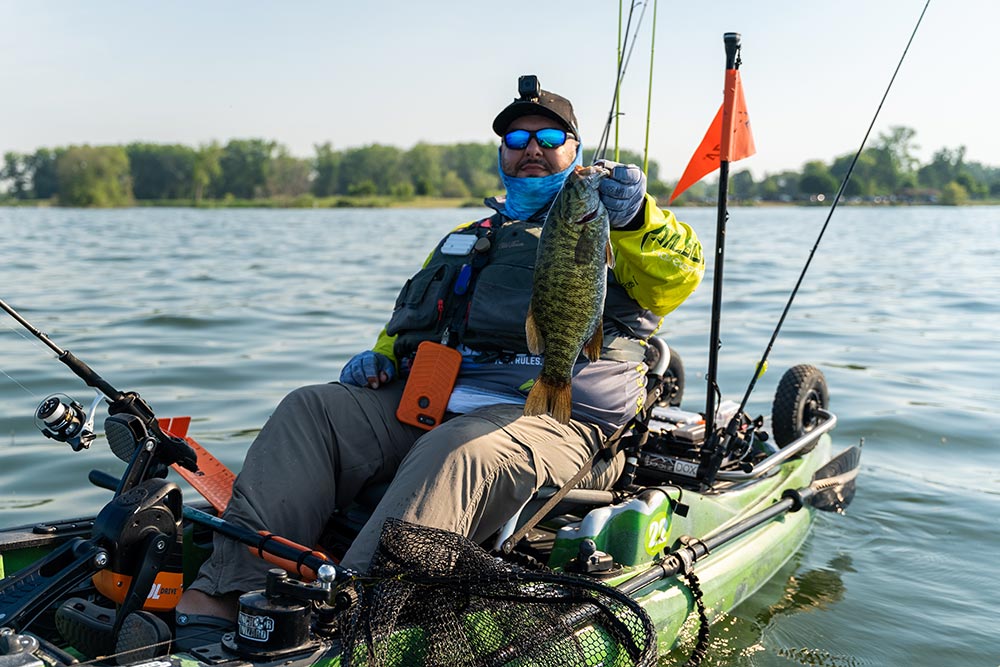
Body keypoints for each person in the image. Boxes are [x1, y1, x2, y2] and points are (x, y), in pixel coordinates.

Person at [173, 75, 704, 636]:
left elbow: (680, 273)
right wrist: (378, 358)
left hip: (555, 412)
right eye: (516, 140)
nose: (532, 149)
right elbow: (413, 322)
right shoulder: (469, 235)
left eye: (549, 137)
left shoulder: (612, 229)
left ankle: (359, 613)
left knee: (456, 449)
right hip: (433, 394)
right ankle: (235, 590)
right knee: (311, 408)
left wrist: (637, 216)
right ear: (501, 153)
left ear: (576, 152)